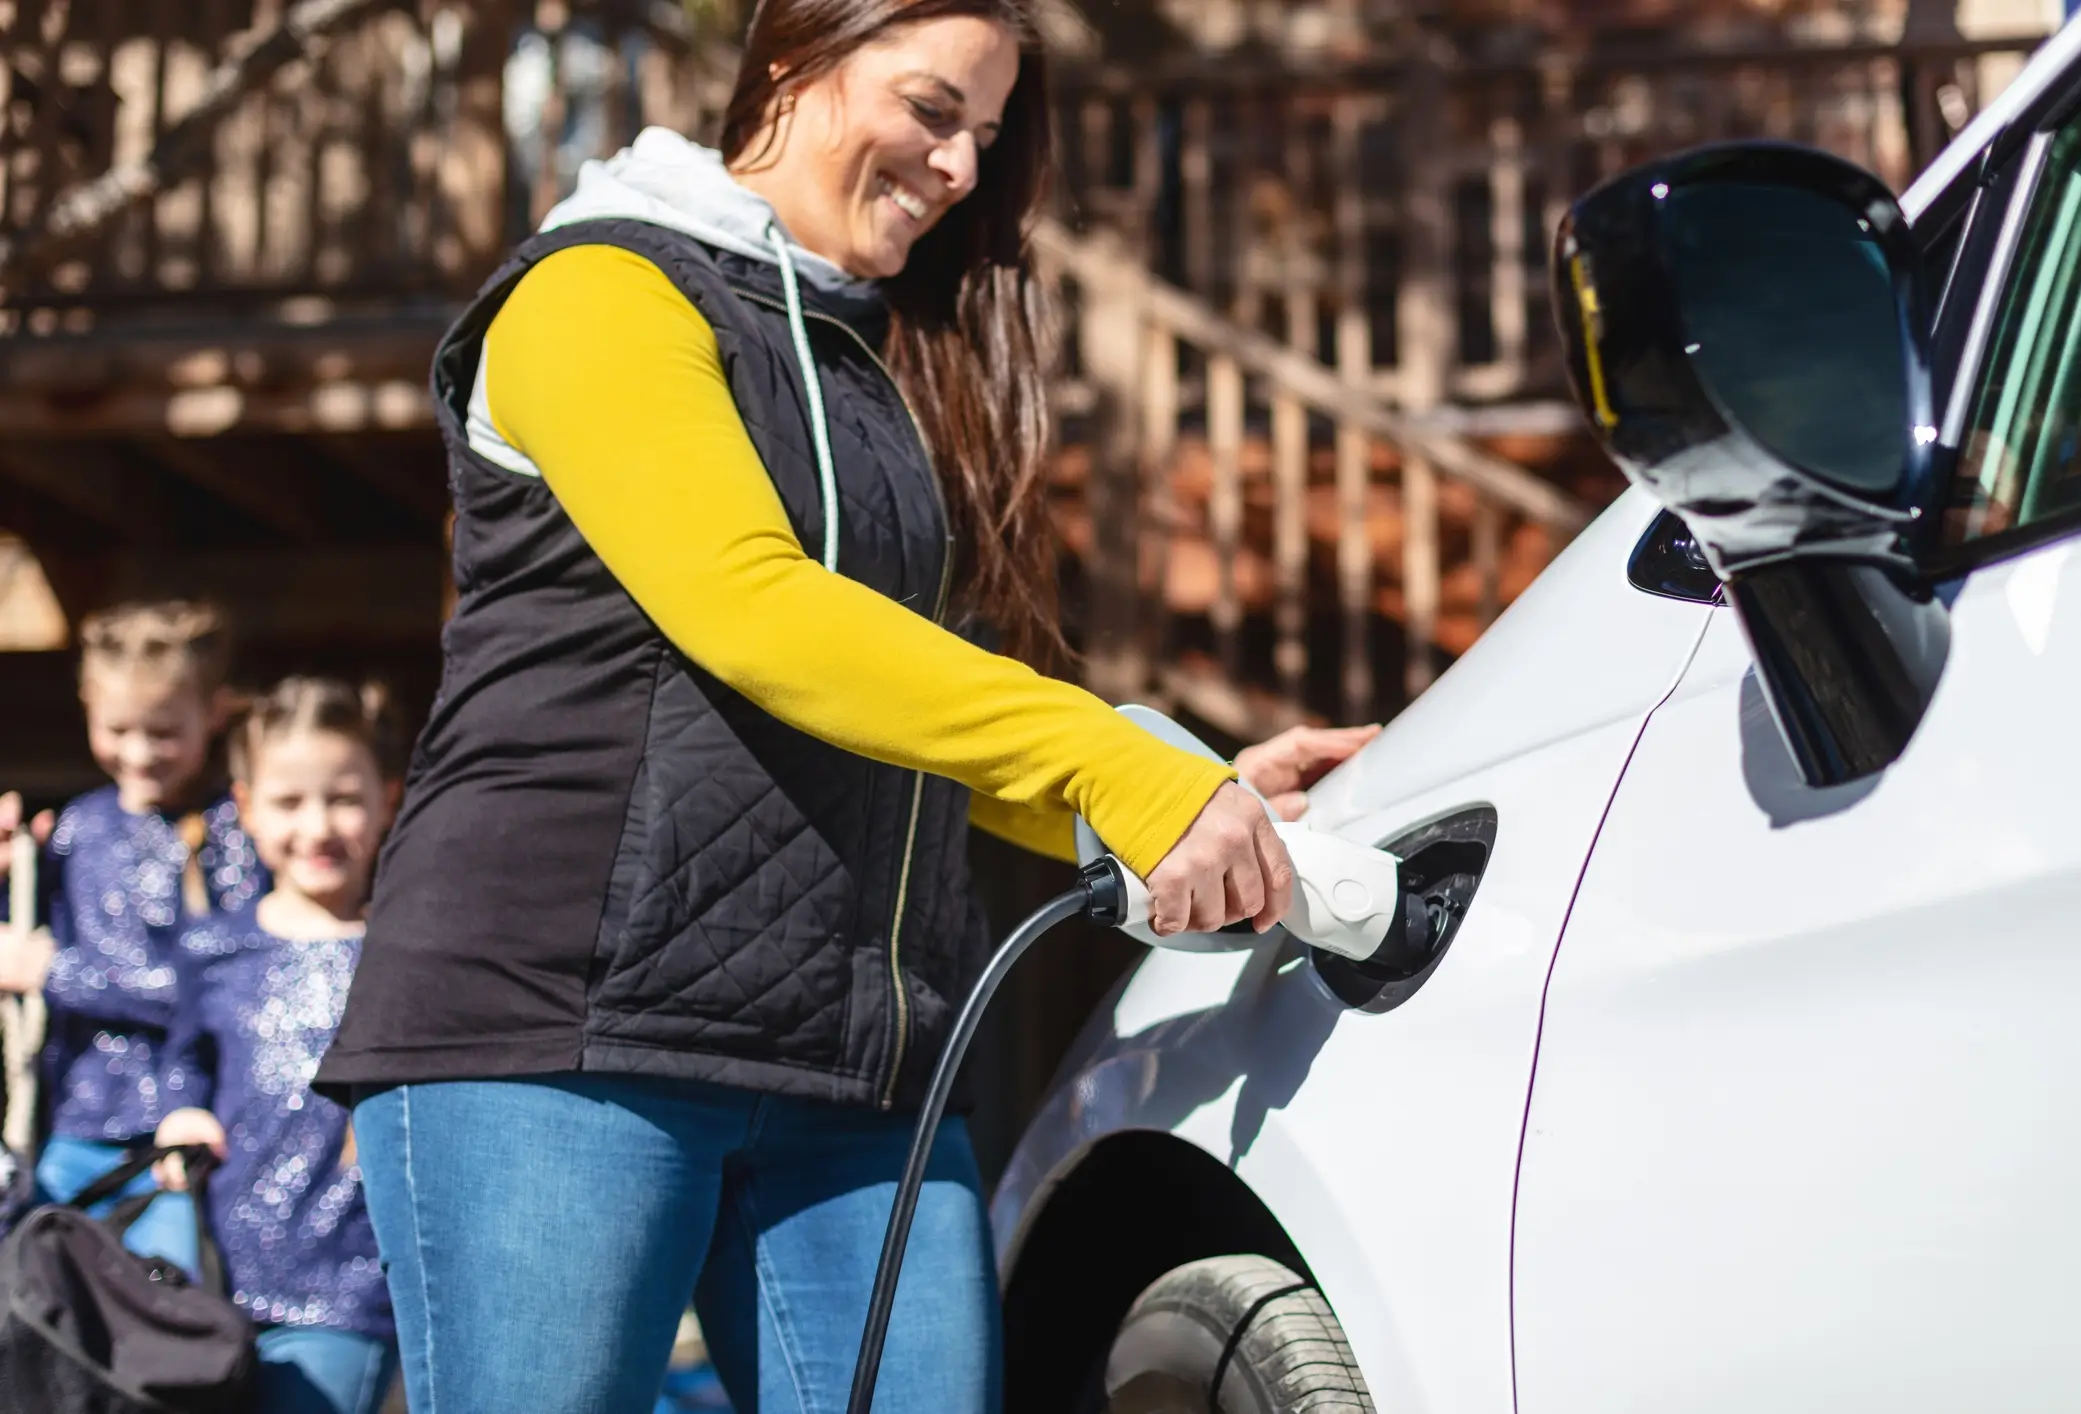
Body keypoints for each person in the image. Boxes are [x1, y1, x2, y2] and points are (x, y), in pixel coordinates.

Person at [311, 1, 1378, 1409]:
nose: (958, 168)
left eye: (985, 139)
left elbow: (896, 700)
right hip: (558, 1040)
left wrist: (1168, 784)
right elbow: (749, 607)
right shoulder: (597, 293)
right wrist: (1105, 759)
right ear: (789, 66)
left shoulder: (877, 361)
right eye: (933, 110)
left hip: (856, 1067)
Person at [153, 676, 400, 1414]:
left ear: (388, 800)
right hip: (214, 1280)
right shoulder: (216, 948)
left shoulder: (404, 957)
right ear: (247, 808)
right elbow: (182, 1060)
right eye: (290, 802)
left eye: (344, 798)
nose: (318, 826)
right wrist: (180, 1113)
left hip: (348, 1288)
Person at [0, 599, 263, 1274]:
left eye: (165, 731)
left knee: (163, 1312)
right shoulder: (77, 827)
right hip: (71, 1128)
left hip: (178, 1134)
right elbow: (27, 942)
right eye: (118, 728)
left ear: (215, 713)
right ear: (87, 706)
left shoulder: (234, 834)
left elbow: (216, 986)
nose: (139, 752)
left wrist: (56, 972)